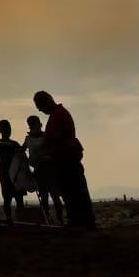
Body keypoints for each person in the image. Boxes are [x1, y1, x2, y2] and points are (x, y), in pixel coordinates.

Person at [33, 90, 96, 228]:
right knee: (73, 192)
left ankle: (78, 223)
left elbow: (57, 138)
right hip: (65, 160)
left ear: (46, 103)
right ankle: (80, 222)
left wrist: (45, 143)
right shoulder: (58, 114)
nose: (40, 110)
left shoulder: (58, 115)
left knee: (73, 193)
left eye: (40, 107)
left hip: (67, 161)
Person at [24, 115, 65, 225]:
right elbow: (22, 153)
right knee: (44, 198)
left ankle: (60, 221)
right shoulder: (29, 139)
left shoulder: (46, 137)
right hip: (39, 172)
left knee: (55, 197)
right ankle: (48, 221)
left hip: (50, 170)